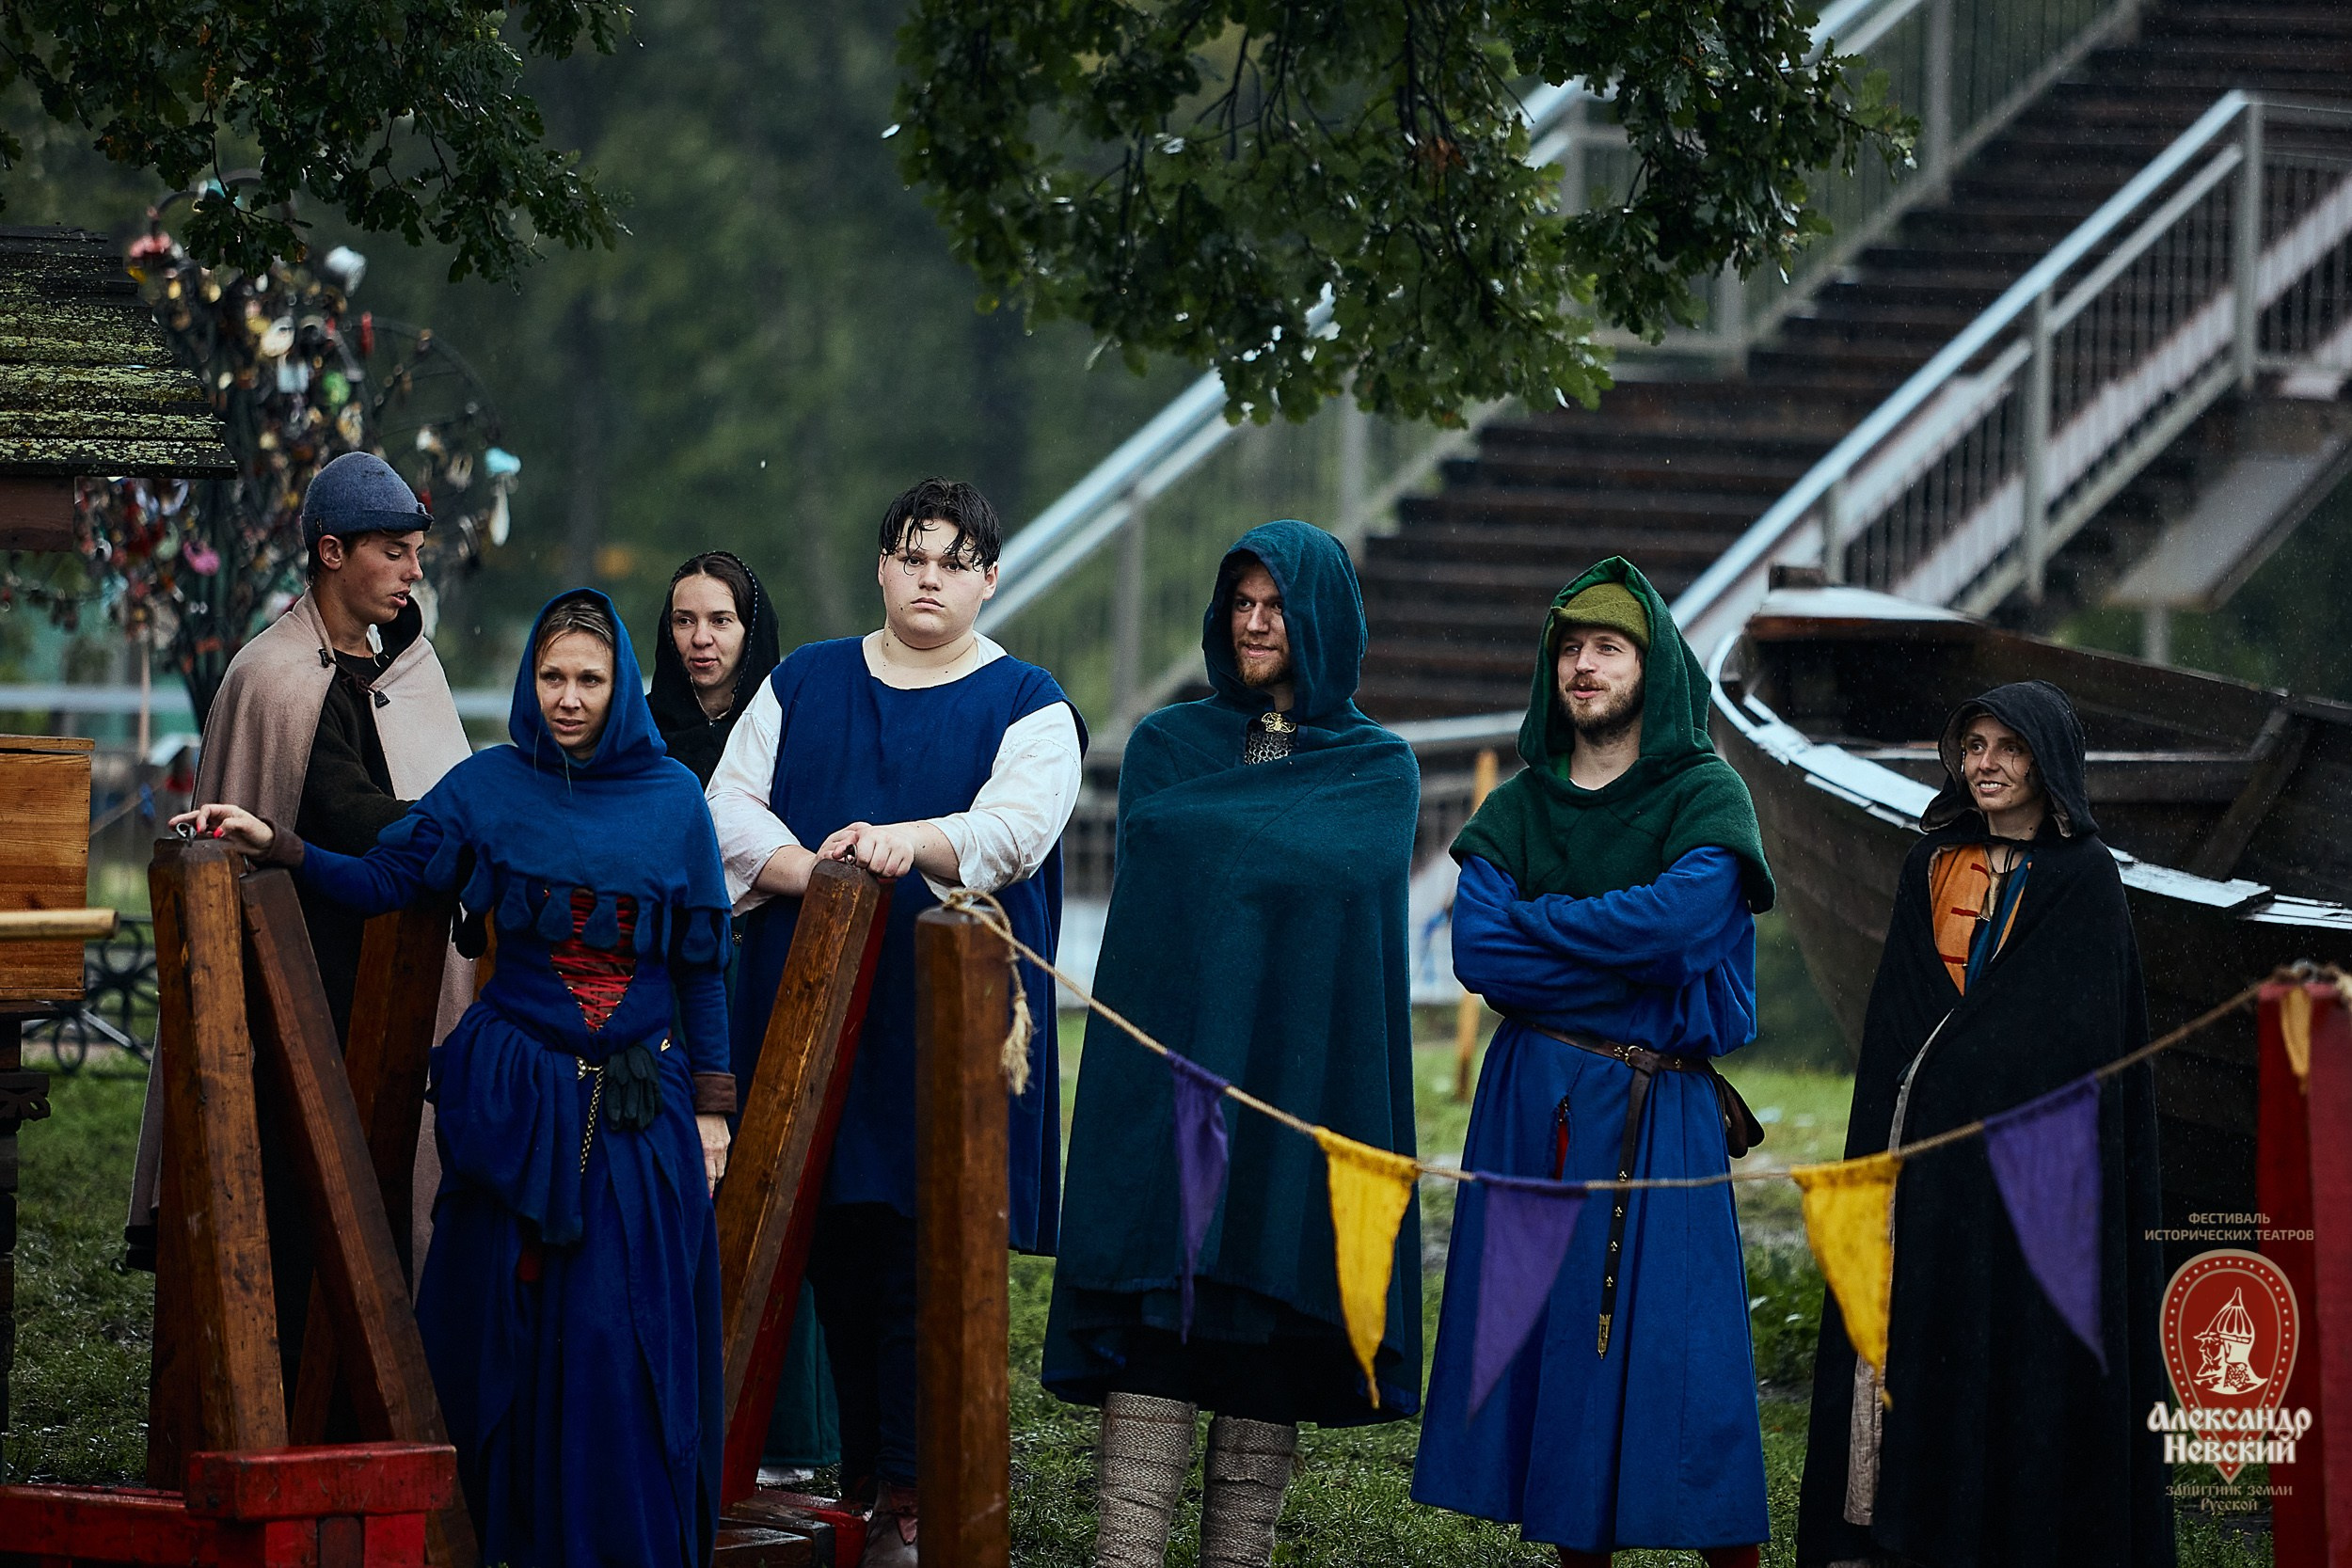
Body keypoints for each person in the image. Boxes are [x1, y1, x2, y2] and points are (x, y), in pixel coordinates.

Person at [177, 590, 737, 1568]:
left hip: (637, 1113)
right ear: (530, 681)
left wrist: (714, 1108)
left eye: (589, 679)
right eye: (552, 676)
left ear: (622, 686)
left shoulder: (676, 800)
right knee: (495, 1333)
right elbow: (387, 879)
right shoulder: (489, 786)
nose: (569, 697)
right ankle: (484, 1538)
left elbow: (700, 966)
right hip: (517, 1107)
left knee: (614, 1338)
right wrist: (281, 842)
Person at [706, 476, 1083, 1566]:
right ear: (881, 565)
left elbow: (1015, 829)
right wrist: (817, 872)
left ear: (988, 580)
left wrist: (903, 841)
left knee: (927, 1249)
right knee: (834, 1243)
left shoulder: (1029, 701)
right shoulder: (803, 680)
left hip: (942, 1034)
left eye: (953, 562)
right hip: (811, 1018)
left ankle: (917, 1493)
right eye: (912, 555)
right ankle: (866, 1479)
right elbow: (722, 809)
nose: (929, 578)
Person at [1043, 520, 1423, 1568]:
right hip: (1173, 1070)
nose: (1255, 624)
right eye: (1242, 604)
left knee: (1266, 1305)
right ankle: (1123, 1554)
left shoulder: (1377, 768)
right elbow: (1167, 884)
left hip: (1297, 1075)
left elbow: (1322, 875)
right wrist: (1254, 845)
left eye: (1277, 606)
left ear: (1323, 619)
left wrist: (1226, 845)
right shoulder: (1169, 746)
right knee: (1159, 1304)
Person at [1410, 557, 1776, 1568]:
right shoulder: (1519, 807)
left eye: (1608, 647)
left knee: (1687, 1353)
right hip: (1537, 1107)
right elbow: (1481, 954)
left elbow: (1683, 930)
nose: (1584, 664)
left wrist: (1546, 928)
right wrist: (1623, 960)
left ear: (1650, 669)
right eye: (1570, 647)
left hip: (1665, 1111)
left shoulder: (1704, 794)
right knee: (1560, 1343)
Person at [1796, 682, 2171, 1568]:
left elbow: (2079, 1043)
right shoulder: (1929, 864)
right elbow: (1900, 1020)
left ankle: (2016, 1526)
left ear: (2048, 761)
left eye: (2009, 747)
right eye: (1974, 746)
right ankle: (1908, 1518)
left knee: (2017, 1344)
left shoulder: (2084, 880)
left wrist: (1985, 1081)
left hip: (2032, 1179)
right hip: (1924, 1167)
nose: (1987, 764)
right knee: (1923, 1334)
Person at [128, 451, 470, 1334]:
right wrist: (476, 818)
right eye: (393, 551)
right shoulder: (271, 678)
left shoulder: (410, 674)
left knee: (386, 1193)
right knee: (299, 1210)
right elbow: (353, 814)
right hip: (300, 993)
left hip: (395, 986)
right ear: (331, 551)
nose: (413, 570)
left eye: (416, 551)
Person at [648, 549, 835, 1482]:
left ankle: (787, 1433)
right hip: (669, 981)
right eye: (684, 620)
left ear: (749, 628)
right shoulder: (641, 733)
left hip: (771, 967)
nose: (701, 639)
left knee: (773, 1174)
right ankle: (678, 1414)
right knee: (680, 1178)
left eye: (719, 620)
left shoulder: (790, 729)